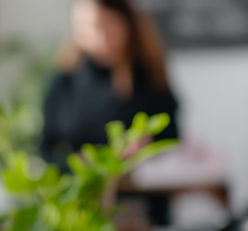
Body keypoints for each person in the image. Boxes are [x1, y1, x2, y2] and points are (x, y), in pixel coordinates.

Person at [40, 0, 180, 169]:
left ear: (127, 23)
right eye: (87, 27)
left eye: (107, 25)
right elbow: (46, 149)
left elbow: (171, 139)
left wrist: (145, 146)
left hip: (139, 189)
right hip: (84, 190)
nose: (100, 37)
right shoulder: (65, 80)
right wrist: (80, 162)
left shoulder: (149, 78)